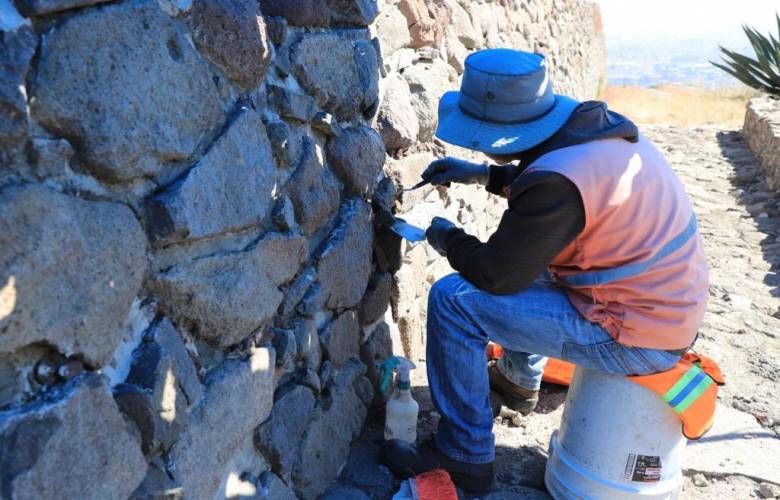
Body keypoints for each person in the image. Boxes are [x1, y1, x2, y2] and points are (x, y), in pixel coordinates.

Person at [382, 48, 709, 495]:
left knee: (454, 302)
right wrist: (480, 175)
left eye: (485, 143)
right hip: (661, 305)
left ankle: (464, 457)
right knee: (535, 257)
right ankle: (518, 384)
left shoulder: (558, 183)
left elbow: (498, 275)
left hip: (636, 335)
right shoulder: (589, 129)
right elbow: (556, 192)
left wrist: (443, 235)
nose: (481, 148)